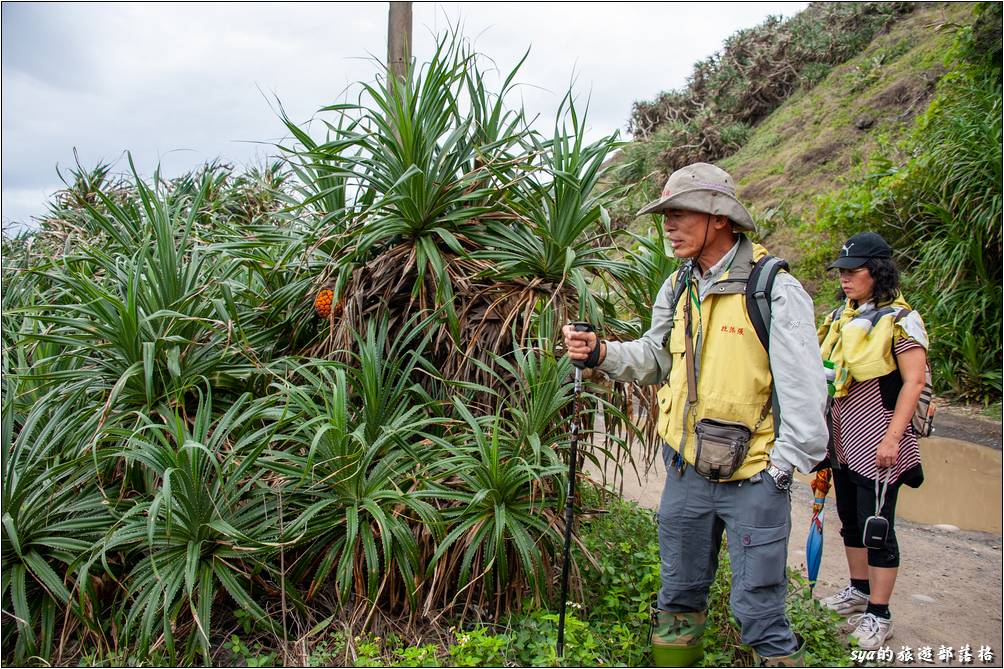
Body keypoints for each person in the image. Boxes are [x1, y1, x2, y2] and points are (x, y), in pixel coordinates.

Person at [563, 163, 828, 667]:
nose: (669, 225)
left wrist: (780, 469)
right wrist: (602, 354)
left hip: (755, 477)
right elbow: (656, 357)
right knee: (678, 598)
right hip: (686, 472)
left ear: (720, 218)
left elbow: (805, 390)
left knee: (759, 609)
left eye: (680, 214)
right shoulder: (679, 285)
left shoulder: (772, 287)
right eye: (666, 215)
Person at [816, 232, 928, 651]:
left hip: (879, 437)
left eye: (853, 271)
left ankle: (880, 615)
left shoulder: (900, 321)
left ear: (877, 272)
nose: (844, 279)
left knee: (877, 526)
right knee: (849, 517)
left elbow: (913, 382)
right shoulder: (843, 317)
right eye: (841, 272)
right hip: (844, 437)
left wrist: (893, 438)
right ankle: (858, 591)